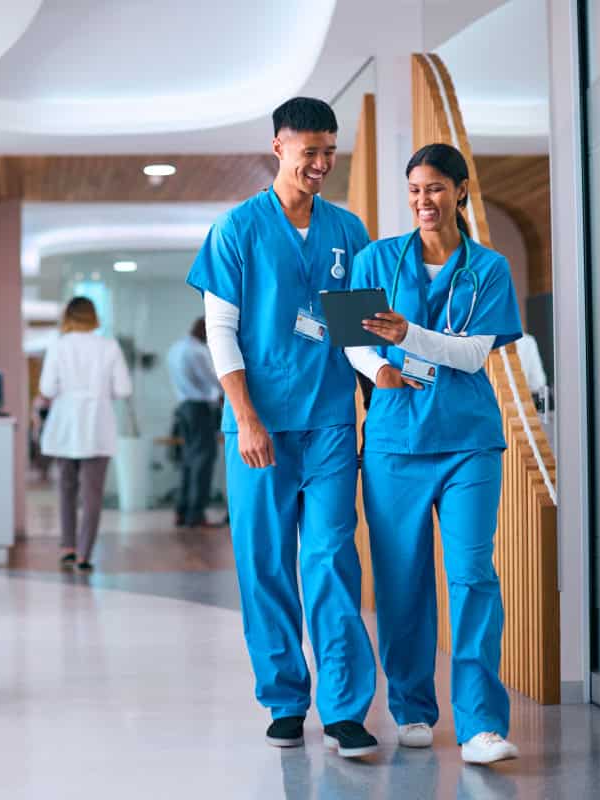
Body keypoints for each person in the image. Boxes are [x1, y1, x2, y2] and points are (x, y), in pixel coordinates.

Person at [187, 97, 378, 756]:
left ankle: (346, 707)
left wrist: (380, 382)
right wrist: (246, 419)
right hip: (258, 426)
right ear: (279, 147)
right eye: (309, 152)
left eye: (330, 151)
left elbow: (356, 334)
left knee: (330, 556)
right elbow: (221, 331)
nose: (321, 164)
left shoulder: (349, 232)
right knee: (264, 561)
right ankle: (285, 698)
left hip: (328, 420)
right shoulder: (236, 230)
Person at [348, 143, 522, 764]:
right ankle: (412, 708)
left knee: (473, 575)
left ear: (461, 191)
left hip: (469, 441)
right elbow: (350, 340)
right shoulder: (377, 259)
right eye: (416, 189)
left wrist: (408, 337)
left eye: (437, 189)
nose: (425, 201)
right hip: (395, 441)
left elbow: (475, 354)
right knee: (401, 580)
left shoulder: (489, 268)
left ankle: (481, 725)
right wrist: (379, 367)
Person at [38, 297, 132, 572]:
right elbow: (124, 389)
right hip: (97, 424)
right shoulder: (109, 346)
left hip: (66, 423)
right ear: (94, 316)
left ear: (68, 316)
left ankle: (67, 546)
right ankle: (84, 554)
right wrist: (102, 393)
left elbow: (47, 388)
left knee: (66, 489)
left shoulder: (58, 346)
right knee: (93, 494)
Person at [166, 318, 222, 527]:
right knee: (203, 460)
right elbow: (212, 378)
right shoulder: (197, 351)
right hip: (199, 409)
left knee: (190, 460)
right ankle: (196, 514)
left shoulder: (176, 348)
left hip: (183, 408)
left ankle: (183, 510)